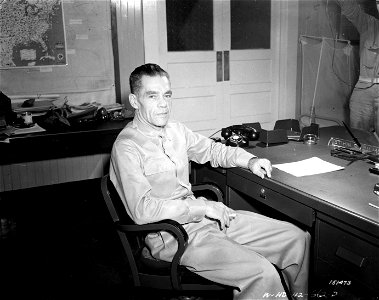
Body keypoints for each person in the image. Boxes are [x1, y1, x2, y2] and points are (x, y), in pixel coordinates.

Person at [109, 63, 311, 300]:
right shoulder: (127, 146)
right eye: (152, 96)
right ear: (134, 101)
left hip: (207, 220)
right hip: (172, 236)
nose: (163, 104)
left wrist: (250, 160)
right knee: (262, 274)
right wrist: (203, 206)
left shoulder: (176, 131)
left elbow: (213, 150)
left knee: (297, 239)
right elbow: (142, 210)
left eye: (167, 95)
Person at [337, 0, 379, 134]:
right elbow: (350, 9)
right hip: (364, 92)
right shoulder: (369, 24)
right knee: (358, 141)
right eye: (378, 2)